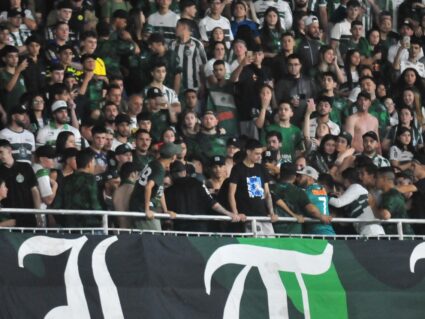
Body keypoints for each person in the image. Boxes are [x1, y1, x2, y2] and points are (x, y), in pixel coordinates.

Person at [165, 160, 237, 231]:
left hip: (180, 229)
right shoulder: (197, 184)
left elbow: (165, 210)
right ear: (184, 172)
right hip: (199, 227)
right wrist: (228, 213)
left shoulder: (168, 191)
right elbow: (213, 204)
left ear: (171, 175)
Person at [228, 139, 277, 235]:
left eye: (260, 154)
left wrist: (271, 212)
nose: (259, 157)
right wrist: (236, 213)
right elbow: (231, 193)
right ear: (248, 152)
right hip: (247, 217)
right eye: (256, 153)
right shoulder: (237, 169)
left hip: (263, 216)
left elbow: (267, 193)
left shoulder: (261, 168)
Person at [129, 142, 181, 230]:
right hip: (141, 207)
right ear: (173, 157)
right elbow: (148, 187)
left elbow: (160, 190)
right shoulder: (159, 169)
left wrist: (165, 210)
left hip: (139, 205)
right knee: (154, 238)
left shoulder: (154, 163)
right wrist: (146, 210)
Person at [53, 148, 103, 227]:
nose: (95, 165)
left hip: (68, 227)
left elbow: (56, 206)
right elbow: (95, 204)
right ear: (89, 163)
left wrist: (64, 222)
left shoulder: (64, 180)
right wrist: (102, 217)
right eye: (94, 163)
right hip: (89, 227)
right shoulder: (91, 179)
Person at [329, 167, 385, 236]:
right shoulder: (359, 189)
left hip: (371, 231)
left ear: (346, 180)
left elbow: (338, 203)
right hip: (370, 231)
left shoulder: (355, 186)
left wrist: (324, 196)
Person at [0, 139, 41, 227]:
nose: (0, 155)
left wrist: (38, 213)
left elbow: (34, 190)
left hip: (27, 215)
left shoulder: (25, 167)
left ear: (9, 150)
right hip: (7, 218)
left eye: (1, 152)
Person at [374, 166, 414, 235]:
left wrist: (372, 205)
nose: (375, 180)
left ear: (384, 179)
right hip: (395, 237)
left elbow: (386, 215)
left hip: (403, 239)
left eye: (376, 177)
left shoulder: (392, 194)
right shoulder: (386, 195)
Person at [296, 165, 335, 235]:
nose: (297, 178)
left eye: (301, 176)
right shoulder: (322, 189)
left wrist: (321, 217)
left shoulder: (308, 192)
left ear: (309, 178)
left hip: (318, 232)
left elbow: (312, 210)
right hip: (328, 232)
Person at [112, 162, 139, 228]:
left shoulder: (116, 191)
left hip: (121, 231)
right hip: (133, 231)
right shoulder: (134, 189)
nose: (138, 177)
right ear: (133, 174)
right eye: (138, 174)